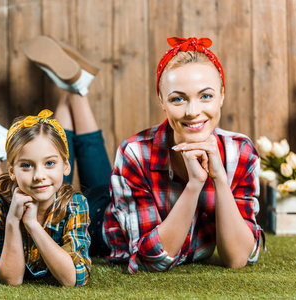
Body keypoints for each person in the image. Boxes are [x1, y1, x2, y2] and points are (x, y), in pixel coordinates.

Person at [0, 36, 112, 286]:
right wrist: (13, 221)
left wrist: (32, 225)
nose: (39, 175)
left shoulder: (76, 205)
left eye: (49, 164)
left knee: (5, 189)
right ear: (13, 170)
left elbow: (74, 279)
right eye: (27, 166)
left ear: (66, 165)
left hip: (10, 196)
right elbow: (12, 279)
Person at [104, 37, 265, 274]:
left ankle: (73, 93)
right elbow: (150, 261)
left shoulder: (241, 151)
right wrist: (194, 185)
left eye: (206, 96)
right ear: (162, 101)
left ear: (222, 94)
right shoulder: (135, 153)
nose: (192, 112)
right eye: (178, 99)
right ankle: (74, 93)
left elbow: (237, 258)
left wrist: (219, 177)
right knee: (83, 186)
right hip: (102, 221)